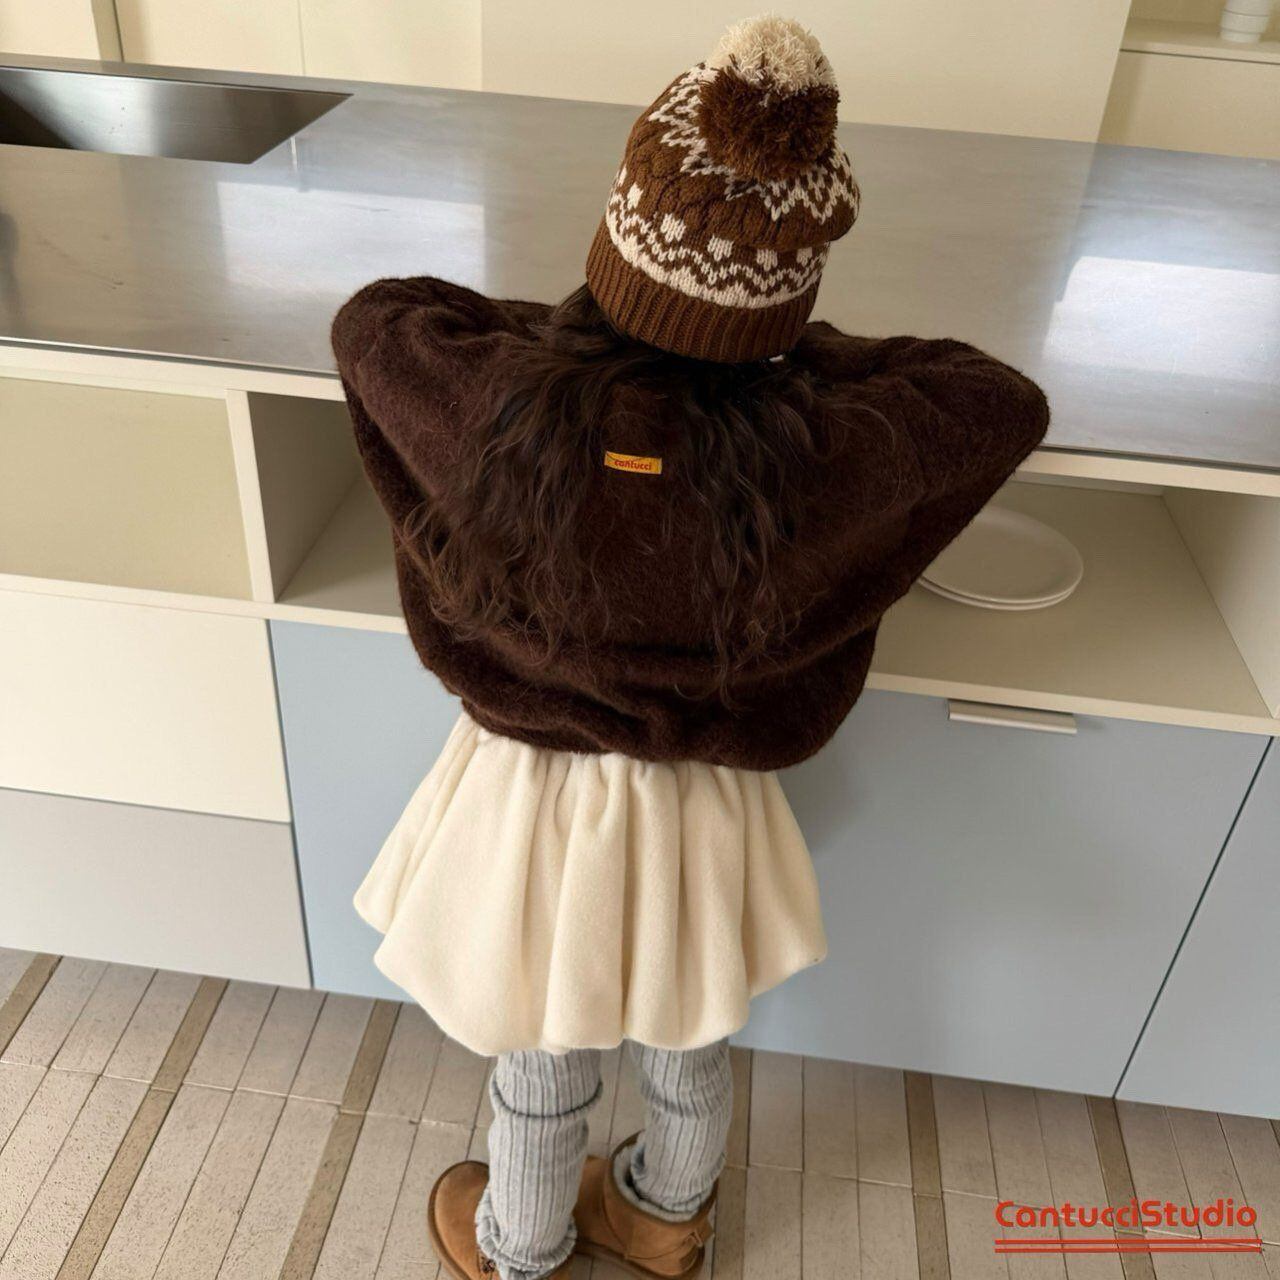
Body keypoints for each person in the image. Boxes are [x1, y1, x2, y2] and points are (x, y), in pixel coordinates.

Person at [331, 14, 1049, 1280]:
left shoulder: (497, 408)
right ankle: (664, 1220)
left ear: (621, 232)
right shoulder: (815, 455)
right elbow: (995, 398)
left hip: (533, 799)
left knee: (543, 1043)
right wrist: (785, 357)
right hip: (705, 805)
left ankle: (520, 1243)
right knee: (690, 1031)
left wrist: (577, 337)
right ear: (790, 285)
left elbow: (378, 317)